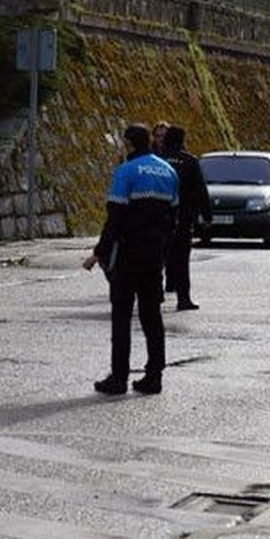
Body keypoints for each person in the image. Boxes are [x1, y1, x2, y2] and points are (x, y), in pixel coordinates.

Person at [82, 124, 178, 395]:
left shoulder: (126, 171)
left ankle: (119, 377)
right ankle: (154, 376)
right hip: (154, 256)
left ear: (130, 143)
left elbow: (115, 218)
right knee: (152, 317)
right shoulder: (168, 171)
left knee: (122, 317)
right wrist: (163, 252)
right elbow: (173, 218)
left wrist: (98, 253)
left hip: (127, 255)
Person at [162, 125, 210, 311]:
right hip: (183, 218)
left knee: (156, 259)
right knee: (181, 261)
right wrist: (207, 215)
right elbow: (200, 190)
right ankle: (184, 299)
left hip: (158, 218)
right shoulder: (190, 161)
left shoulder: (157, 160)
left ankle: (155, 296)